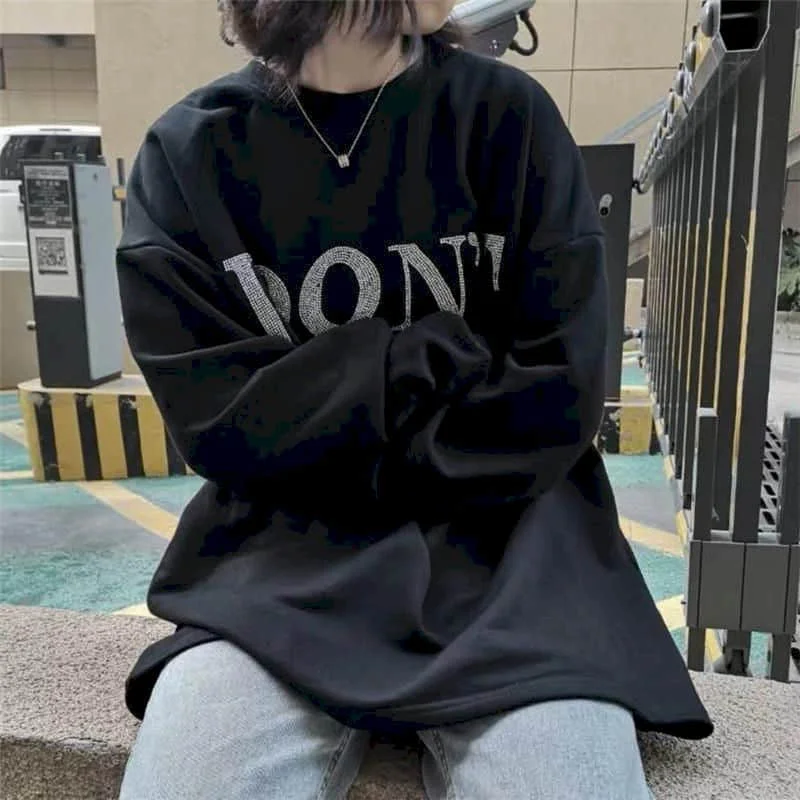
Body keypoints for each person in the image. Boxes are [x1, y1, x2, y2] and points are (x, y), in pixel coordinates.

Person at [117, 2, 713, 798]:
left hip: (519, 565)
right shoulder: (191, 155)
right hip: (277, 576)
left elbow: (558, 396)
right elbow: (218, 423)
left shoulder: (507, 119)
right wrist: (424, 356)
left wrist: (322, 405)